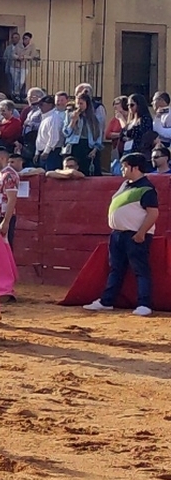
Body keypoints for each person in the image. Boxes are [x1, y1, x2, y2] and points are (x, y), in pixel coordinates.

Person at [84, 153, 159, 318]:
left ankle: (144, 304)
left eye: (125, 166)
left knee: (140, 270)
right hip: (118, 234)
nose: (122, 169)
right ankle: (107, 301)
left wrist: (141, 233)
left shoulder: (147, 188)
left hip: (135, 235)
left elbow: (153, 213)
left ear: (135, 168)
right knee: (116, 269)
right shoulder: (125, 185)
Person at [63, 92, 102, 177]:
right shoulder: (69, 114)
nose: (79, 106)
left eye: (81, 104)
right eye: (77, 103)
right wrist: (73, 121)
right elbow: (66, 133)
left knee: (87, 171)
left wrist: (95, 149)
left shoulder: (94, 118)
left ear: (87, 104)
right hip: (75, 145)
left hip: (88, 146)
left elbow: (98, 135)